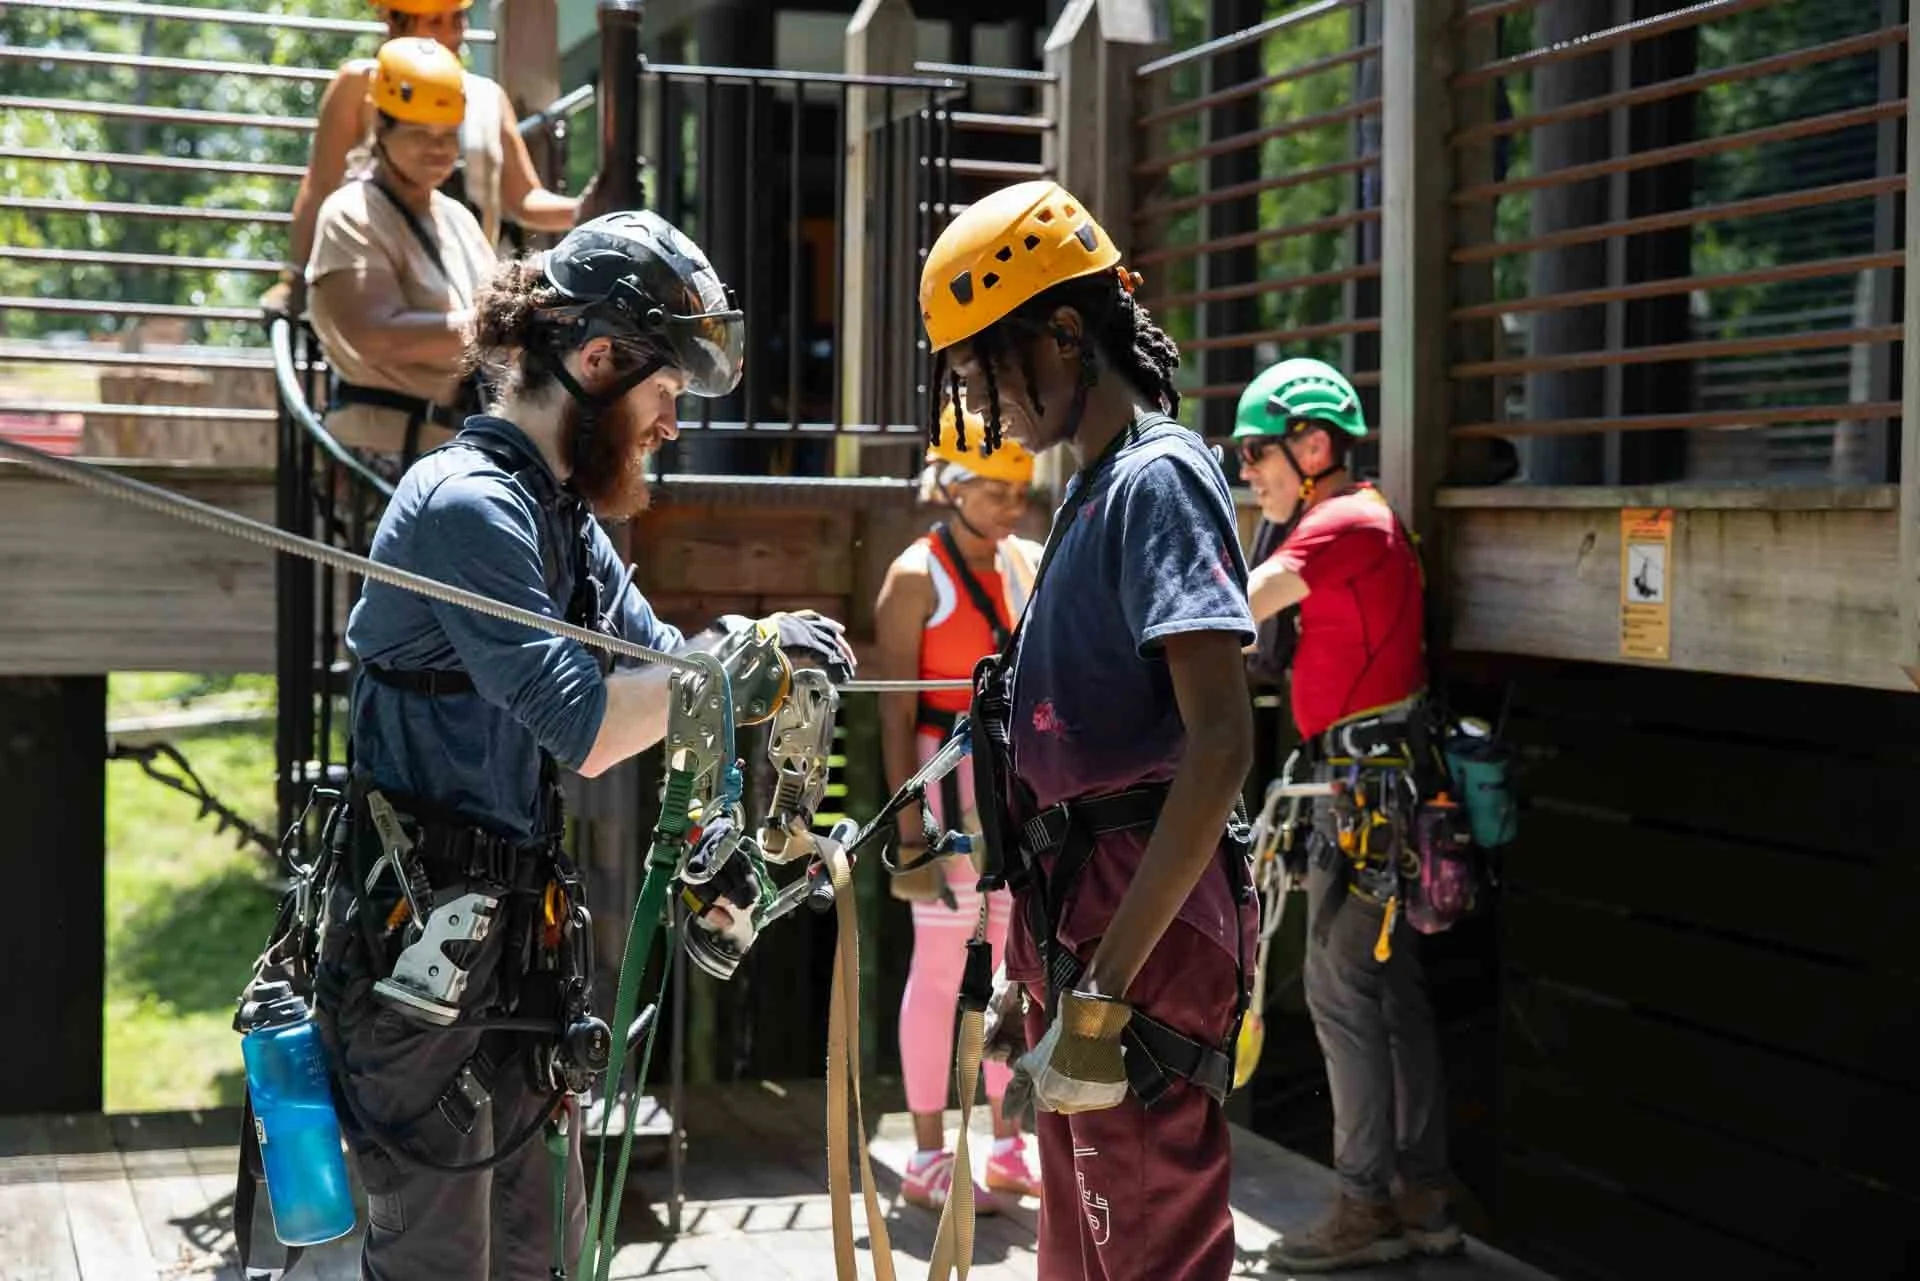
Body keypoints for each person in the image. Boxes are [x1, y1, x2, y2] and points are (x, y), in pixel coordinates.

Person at [312, 207, 855, 1279]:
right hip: (418, 962)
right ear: (597, 360)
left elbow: (667, 673)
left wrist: (722, 816)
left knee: (545, 1259)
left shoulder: (559, 518)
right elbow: (592, 725)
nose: (669, 424)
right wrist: (739, 659)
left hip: (511, 957)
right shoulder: (471, 507)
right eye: (662, 394)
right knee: (437, 1265)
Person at [917, 178, 1258, 1281]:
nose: (990, 414)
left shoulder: (1159, 481)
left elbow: (1219, 745)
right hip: (1088, 931)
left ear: (1065, 332)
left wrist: (1106, 990)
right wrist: (1052, 972)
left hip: (1139, 948)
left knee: (1145, 1254)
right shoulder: (1092, 495)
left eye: (988, 372)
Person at [1231, 357, 1460, 1272]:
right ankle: (1421, 1198)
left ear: (1313, 444)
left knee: (1339, 986)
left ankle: (1367, 1202)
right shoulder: (1352, 519)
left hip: (1363, 795)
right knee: (1388, 988)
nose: (1248, 470)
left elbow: (1237, 610)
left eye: (1256, 451)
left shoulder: (1341, 523)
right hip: (1375, 785)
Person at [872, 405, 1044, 1213]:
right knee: (941, 972)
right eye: (995, 486)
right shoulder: (915, 575)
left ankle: (1009, 1141)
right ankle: (929, 1154)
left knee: (1016, 968)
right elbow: (895, 714)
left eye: (1019, 486)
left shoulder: (1028, 564)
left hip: (1011, 794)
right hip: (945, 794)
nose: (1012, 501)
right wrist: (910, 829)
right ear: (951, 482)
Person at [264, 0, 583, 315]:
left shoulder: (486, 97)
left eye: (457, 18)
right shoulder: (362, 84)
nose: (451, 33)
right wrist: (293, 278)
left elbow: (523, 198)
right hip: (376, 275)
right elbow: (321, 184)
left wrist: (588, 210)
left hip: (463, 287)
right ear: (394, 22)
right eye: (434, 22)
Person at [305, 37, 497, 467]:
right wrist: (500, 327)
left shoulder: (457, 218)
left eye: (449, 135)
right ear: (381, 126)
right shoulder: (351, 214)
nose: (439, 148)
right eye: (419, 133)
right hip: (385, 457)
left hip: (454, 452)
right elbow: (374, 337)